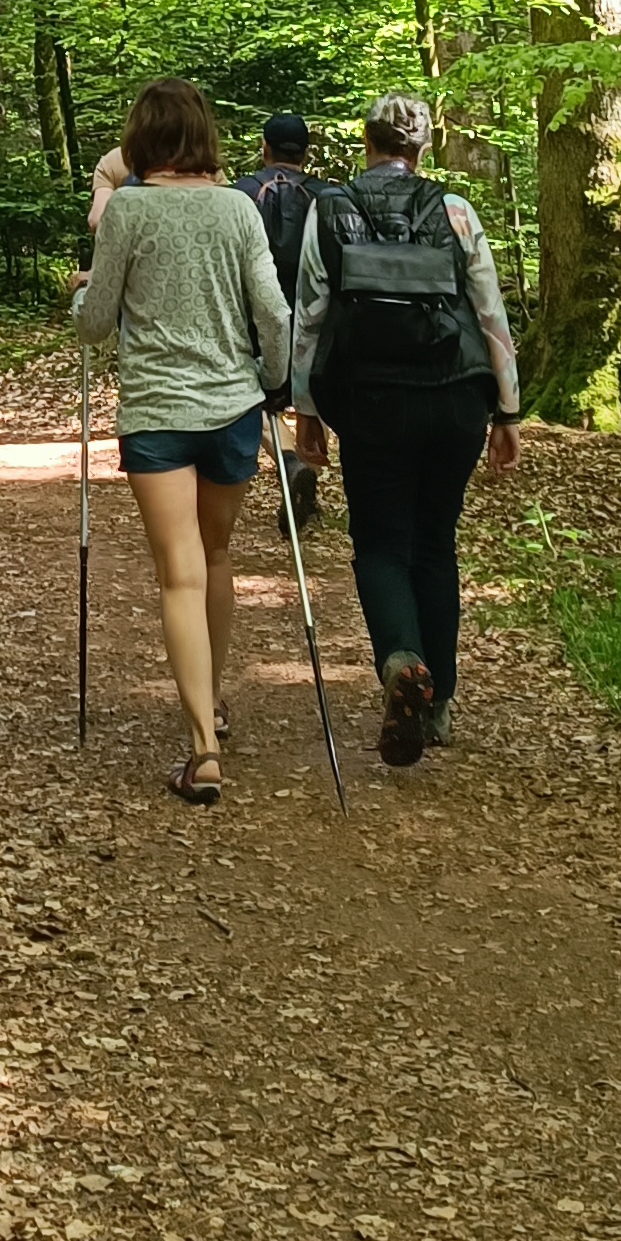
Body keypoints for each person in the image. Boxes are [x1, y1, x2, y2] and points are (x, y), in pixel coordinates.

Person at [72, 76, 290, 806]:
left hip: (159, 415)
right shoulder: (239, 210)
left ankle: (201, 745)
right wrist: (273, 378)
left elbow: (96, 321)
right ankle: (213, 701)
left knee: (179, 573)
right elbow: (274, 313)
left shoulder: (129, 209)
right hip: (232, 410)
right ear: (203, 138)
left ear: (142, 139)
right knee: (217, 554)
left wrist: (80, 293)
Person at [291, 92, 521, 766]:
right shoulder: (455, 210)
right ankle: (439, 700)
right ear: (423, 149)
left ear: (366, 144)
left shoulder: (330, 209)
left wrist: (307, 415)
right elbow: (488, 313)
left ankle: (400, 658)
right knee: (435, 545)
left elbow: (310, 315)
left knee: (381, 544)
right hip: (455, 398)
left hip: (372, 403)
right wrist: (506, 410)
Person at [234, 113, 322, 534]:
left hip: (255, 318)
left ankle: (290, 462)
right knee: (311, 400)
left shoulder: (240, 195)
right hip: (315, 321)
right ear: (306, 152)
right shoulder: (329, 198)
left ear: (264, 148)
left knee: (260, 400)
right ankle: (306, 470)